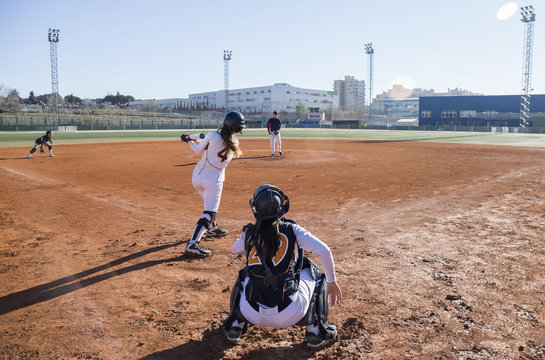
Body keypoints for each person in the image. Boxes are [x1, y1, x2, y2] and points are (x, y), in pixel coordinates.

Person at [222, 184, 342, 349]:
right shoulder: (292, 229)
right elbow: (324, 250)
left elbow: (235, 249)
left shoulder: (250, 232)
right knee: (317, 274)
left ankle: (235, 324)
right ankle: (315, 331)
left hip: (251, 311)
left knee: (244, 274)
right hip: (289, 312)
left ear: (255, 208)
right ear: (282, 207)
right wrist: (332, 282)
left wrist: (253, 237)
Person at [181, 111, 246, 256]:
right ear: (238, 129)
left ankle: (212, 228)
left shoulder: (212, 135)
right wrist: (192, 139)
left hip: (197, 177)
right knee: (209, 213)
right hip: (213, 181)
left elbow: (198, 149)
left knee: (208, 207)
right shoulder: (235, 143)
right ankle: (193, 244)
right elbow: (215, 145)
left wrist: (189, 140)